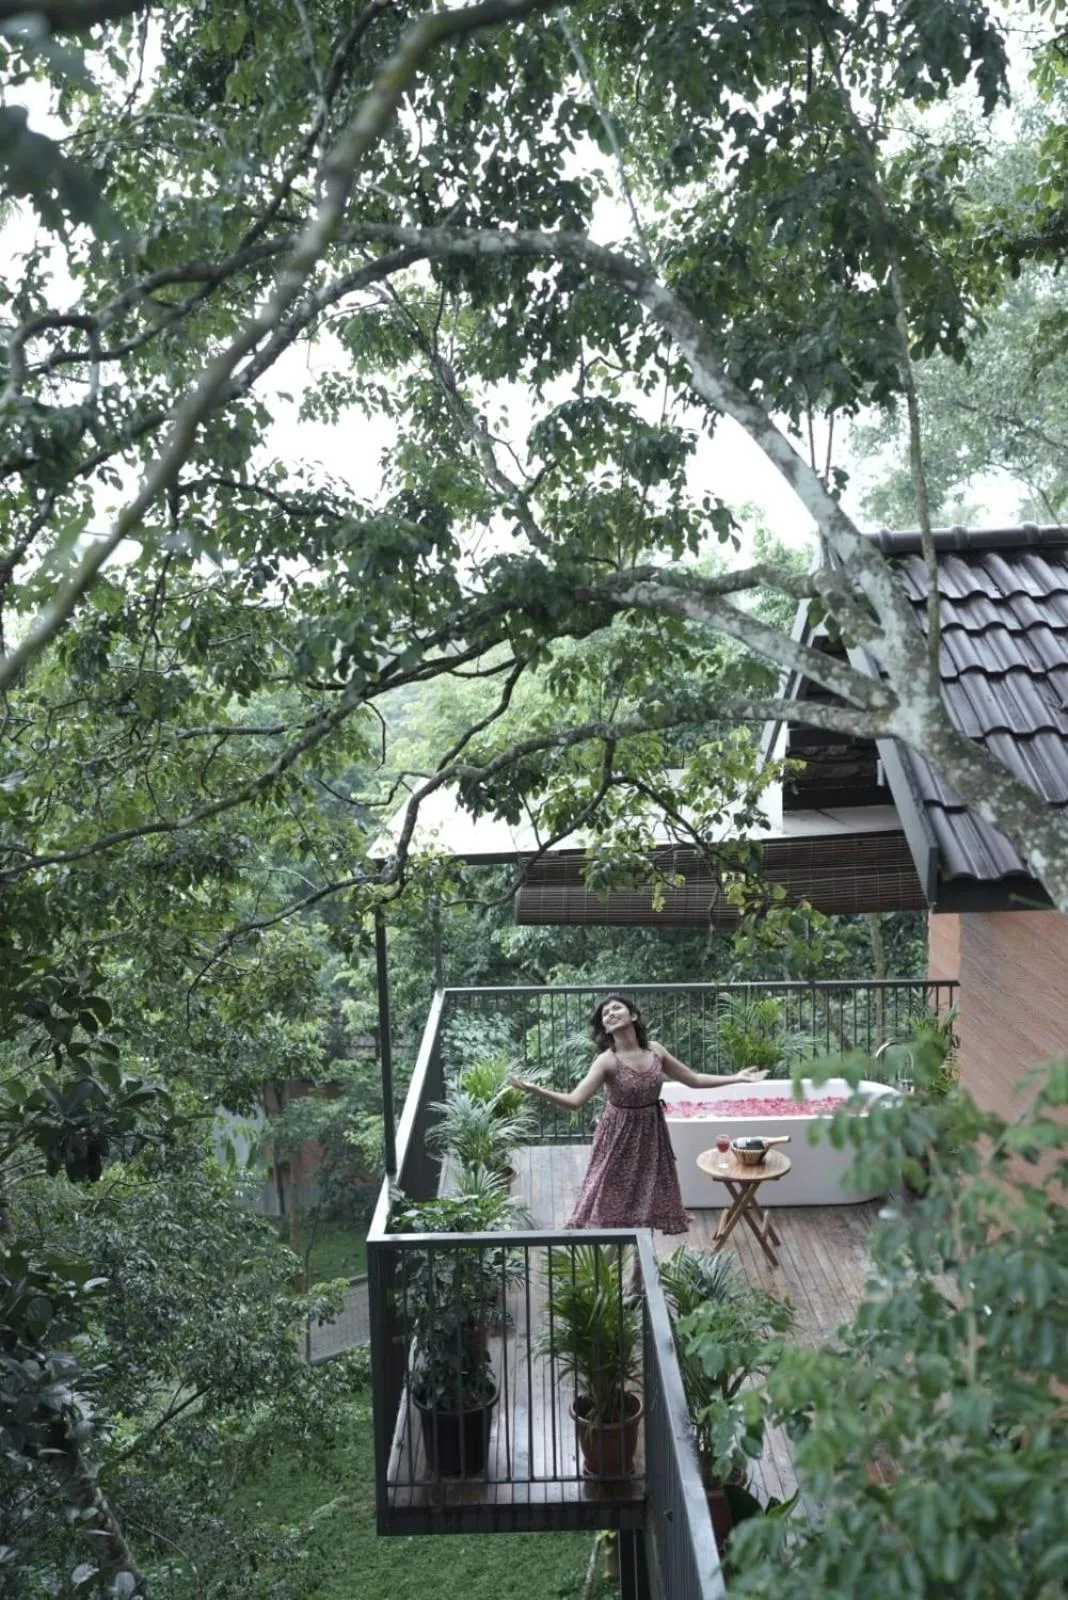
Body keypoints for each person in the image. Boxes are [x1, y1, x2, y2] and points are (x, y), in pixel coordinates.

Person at [508, 992, 768, 1245]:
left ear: (632, 1015)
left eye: (616, 1008)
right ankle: (607, 1275)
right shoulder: (606, 1061)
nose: (610, 1014)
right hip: (618, 1138)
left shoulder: (656, 1050)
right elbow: (575, 1101)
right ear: (605, 1029)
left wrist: (737, 1077)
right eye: (605, 1014)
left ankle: (637, 1275)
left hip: (651, 1135)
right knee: (611, 1200)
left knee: (647, 1199)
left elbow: (694, 1080)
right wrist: (536, 1090)